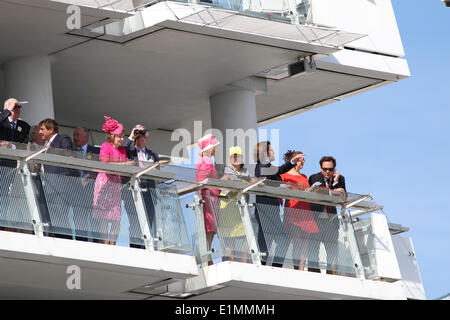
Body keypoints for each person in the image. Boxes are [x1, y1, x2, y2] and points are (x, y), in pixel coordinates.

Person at [253, 141, 303, 267]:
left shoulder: (267, 166)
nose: (274, 152)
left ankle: (272, 267)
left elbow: (278, 171)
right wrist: (279, 187)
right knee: (270, 242)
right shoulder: (261, 166)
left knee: (275, 241)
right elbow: (262, 182)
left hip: (271, 208)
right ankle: (269, 268)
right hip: (265, 208)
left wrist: (281, 186)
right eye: (271, 150)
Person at [92, 116, 133, 245]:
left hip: (116, 186)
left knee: (116, 218)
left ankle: (112, 245)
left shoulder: (122, 150)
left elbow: (128, 164)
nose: (121, 139)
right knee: (103, 217)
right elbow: (104, 162)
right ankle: (105, 244)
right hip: (105, 184)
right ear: (112, 136)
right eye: (119, 136)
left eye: (122, 136)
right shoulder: (106, 146)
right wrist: (124, 164)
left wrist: (124, 164)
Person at [280, 150, 319, 271]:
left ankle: (302, 268)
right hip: (293, 209)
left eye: (303, 159)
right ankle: (297, 269)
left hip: (305, 210)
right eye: (301, 159)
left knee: (305, 243)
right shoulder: (284, 175)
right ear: (295, 160)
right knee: (296, 241)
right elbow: (280, 189)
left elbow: (305, 192)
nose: (303, 161)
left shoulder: (304, 176)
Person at [122, 124, 160, 249]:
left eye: (143, 134)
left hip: (148, 191)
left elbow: (158, 171)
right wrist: (131, 137)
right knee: (134, 221)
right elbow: (121, 151)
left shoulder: (152, 154)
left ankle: (148, 247)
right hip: (133, 192)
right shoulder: (130, 151)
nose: (141, 137)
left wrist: (154, 169)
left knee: (148, 221)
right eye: (139, 134)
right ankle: (135, 248)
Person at [308, 156, 347, 275]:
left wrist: (335, 182)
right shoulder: (315, 177)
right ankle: (314, 276)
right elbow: (319, 192)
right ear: (321, 168)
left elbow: (343, 197)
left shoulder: (340, 179)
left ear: (334, 169)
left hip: (331, 221)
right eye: (325, 169)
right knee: (313, 249)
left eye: (330, 169)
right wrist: (333, 192)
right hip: (315, 219)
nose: (328, 172)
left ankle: (333, 276)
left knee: (332, 251)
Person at [38, 118, 74, 239]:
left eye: (42, 129)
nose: (40, 132)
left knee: (61, 217)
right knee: (49, 218)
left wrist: (47, 153)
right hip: (46, 187)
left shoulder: (62, 138)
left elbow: (67, 152)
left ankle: (64, 244)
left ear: (51, 130)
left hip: (59, 187)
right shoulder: (45, 145)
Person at [0, 99, 31, 232]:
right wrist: (7, 111)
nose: (18, 109)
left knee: (5, 194)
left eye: (19, 107)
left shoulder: (24, 126)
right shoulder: (2, 120)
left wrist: (11, 146)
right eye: (15, 106)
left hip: (11, 165)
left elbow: (23, 145)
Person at [219, 146, 251, 263]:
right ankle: (230, 261)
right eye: (234, 156)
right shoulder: (228, 168)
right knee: (229, 236)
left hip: (239, 207)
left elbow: (247, 181)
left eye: (239, 156)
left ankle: (244, 261)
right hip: (228, 205)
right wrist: (248, 181)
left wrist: (254, 181)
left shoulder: (245, 171)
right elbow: (236, 181)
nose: (236, 158)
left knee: (246, 235)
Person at [195, 134, 221, 265]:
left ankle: (207, 256)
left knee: (209, 228)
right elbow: (204, 180)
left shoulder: (204, 160)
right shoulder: (206, 161)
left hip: (208, 197)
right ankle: (207, 257)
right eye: (214, 147)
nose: (215, 149)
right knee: (209, 228)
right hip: (208, 197)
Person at [71, 127, 100, 242]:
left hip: (92, 191)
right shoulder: (71, 151)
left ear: (86, 136)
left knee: (94, 221)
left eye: (78, 135)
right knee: (78, 220)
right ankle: (81, 245)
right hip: (77, 192)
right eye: (74, 135)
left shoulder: (96, 151)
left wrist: (94, 176)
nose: (75, 138)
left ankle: (97, 246)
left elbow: (102, 169)